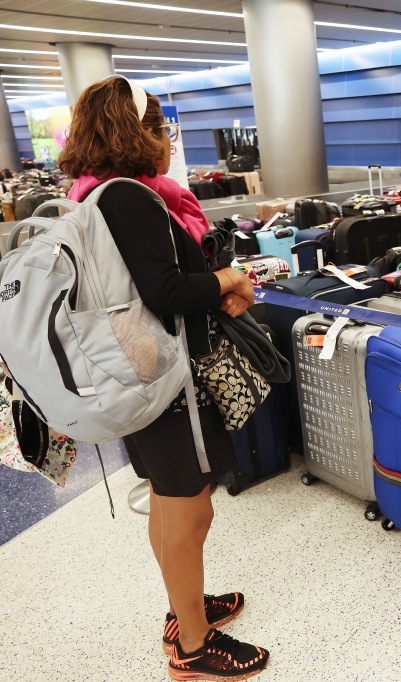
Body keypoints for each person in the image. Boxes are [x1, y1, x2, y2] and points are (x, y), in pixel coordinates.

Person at [58, 76, 269, 682]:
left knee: (170, 502)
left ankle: (185, 610)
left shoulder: (94, 196)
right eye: (159, 125)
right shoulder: (127, 197)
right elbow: (168, 290)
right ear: (135, 132)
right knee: (189, 509)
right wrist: (228, 282)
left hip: (142, 376)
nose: (167, 137)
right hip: (166, 385)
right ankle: (194, 650)